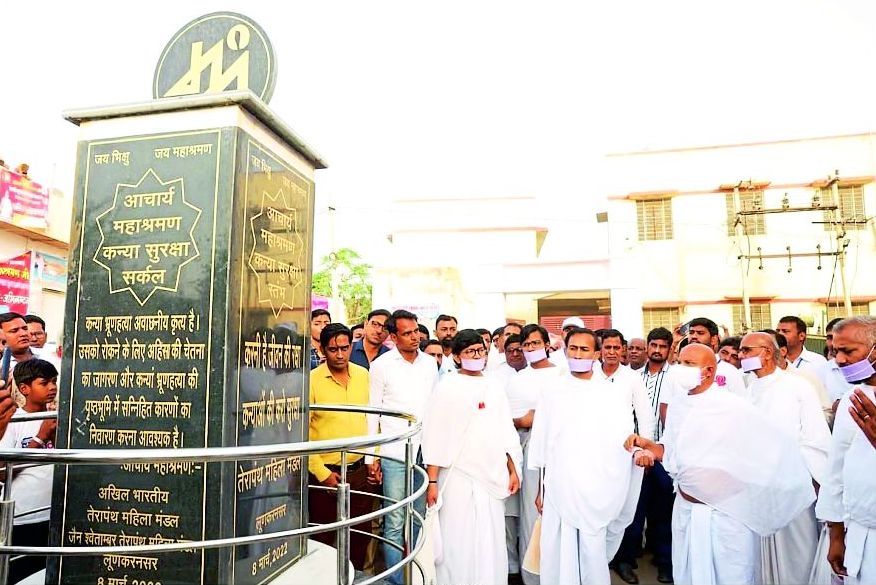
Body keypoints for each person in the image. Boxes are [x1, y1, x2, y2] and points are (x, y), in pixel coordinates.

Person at [626, 344, 815, 585]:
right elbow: (670, 451)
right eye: (679, 362)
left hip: (726, 516)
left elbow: (765, 452)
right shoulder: (678, 405)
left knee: (731, 577)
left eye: (689, 364)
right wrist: (646, 445)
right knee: (689, 575)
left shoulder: (732, 406)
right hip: (686, 510)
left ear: (708, 371)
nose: (680, 369)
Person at [529, 327, 645, 585]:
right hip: (560, 485)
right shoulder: (552, 390)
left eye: (584, 349)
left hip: (596, 487)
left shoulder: (609, 393)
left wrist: (637, 450)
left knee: (592, 551)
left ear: (596, 354)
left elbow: (623, 438)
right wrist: (541, 490)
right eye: (573, 348)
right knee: (558, 548)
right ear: (565, 350)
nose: (578, 354)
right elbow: (542, 441)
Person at [422, 329, 522, 585]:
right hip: (457, 476)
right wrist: (432, 482)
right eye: (470, 351)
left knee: (491, 539)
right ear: (456, 357)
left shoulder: (494, 386)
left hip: (492, 474)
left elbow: (506, 430)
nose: (477, 356)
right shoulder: (446, 387)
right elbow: (435, 435)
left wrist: (513, 469)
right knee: (458, 539)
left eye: (480, 350)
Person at [738, 332, 831, 585]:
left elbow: (816, 437)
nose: (740, 355)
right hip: (758, 488)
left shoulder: (797, 386)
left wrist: (813, 480)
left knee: (797, 555)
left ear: (767, 352)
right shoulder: (749, 389)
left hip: (793, 487)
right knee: (760, 556)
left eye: (746, 350)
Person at [368, 310, 438, 584]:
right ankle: (396, 580)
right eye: (407, 333)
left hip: (426, 450)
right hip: (394, 452)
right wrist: (371, 458)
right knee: (395, 520)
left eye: (416, 331)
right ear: (394, 337)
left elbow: (435, 407)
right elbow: (373, 413)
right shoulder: (382, 366)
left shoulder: (429, 364)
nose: (414, 337)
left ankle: (417, 575)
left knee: (419, 518)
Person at [307, 324, 379, 570]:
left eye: (345, 348)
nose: (340, 354)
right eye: (333, 349)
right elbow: (302, 434)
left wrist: (373, 459)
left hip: (359, 471)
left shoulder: (363, 375)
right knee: (324, 538)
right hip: (325, 473)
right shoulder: (312, 380)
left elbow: (373, 421)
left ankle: (355, 576)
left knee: (360, 534)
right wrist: (322, 473)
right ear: (322, 350)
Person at [816, 316, 876, 585]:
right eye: (835, 351)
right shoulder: (853, 399)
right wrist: (836, 535)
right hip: (858, 532)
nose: (839, 360)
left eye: (848, 351)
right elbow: (836, 470)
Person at [612, 327, 674, 584]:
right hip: (636, 454)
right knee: (633, 510)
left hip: (667, 455)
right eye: (653, 345)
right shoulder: (632, 376)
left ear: (670, 349)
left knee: (663, 513)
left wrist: (655, 450)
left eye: (662, 346)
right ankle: (626, 561)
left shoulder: (676, 377)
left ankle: (665, 563)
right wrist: (641, 451)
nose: (657, 350)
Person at [505, 324, 565, 585]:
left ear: (547, 345)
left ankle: (558, 573)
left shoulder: (562, 374)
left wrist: (538, 418)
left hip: (559, 449)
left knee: (556, 511)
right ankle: (531, 575)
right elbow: (508, 419)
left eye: (535, 343)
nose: (531, 348)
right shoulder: (517, 380)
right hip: (526, 447)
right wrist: (524, 421)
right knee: (530, 512)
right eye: (526, 345)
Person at [1, 359, 58, 583]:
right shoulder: (12, 421)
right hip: (22, 517)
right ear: (24, 388)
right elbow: (3, 472)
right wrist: (39, 438)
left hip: (52, 514)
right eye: (44, 383)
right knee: (19, 572)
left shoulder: (57, 419)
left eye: (54, 382)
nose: (52, 387)